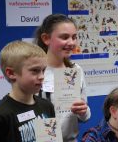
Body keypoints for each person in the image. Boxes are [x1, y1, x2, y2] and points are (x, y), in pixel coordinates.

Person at [34, 13, 91, 141]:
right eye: (64, 37)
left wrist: (83, 110)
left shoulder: (75, 70)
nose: (71, 42)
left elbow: (85, 117)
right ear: (46, 38)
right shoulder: (35, 72)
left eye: (74, 37)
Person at [0, 41, 55, 142]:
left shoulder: (47, 106)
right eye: (35, 70)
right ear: (11, 73)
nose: (42, 76)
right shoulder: (0, 116)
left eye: (43, 70)